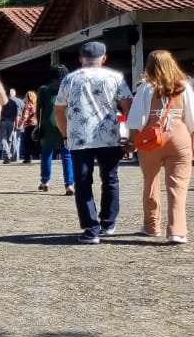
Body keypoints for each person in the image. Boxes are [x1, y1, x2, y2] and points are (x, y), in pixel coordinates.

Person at [54, 40, 132, 244]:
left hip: (80, 137)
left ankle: (91, 228)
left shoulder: (70, 79)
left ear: (81, 58)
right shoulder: (115, 77)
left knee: (82, 182)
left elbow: (59, 110)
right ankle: (108, 223)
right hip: (109, 136)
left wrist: (65, 134)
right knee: (110, 179)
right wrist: (130, 135)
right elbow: (128, 106)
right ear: (104, 58)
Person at [124, 49, 193, 244]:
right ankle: (177, 231)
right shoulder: (184, 86)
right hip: (179, 137)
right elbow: (192, 119)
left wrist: (133, 142)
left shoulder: (145, 88)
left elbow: (136, 120)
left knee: (150, 182)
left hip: (152, 139)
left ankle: (152, 226)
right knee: (178, 186)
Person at [37, 65, 74, 195]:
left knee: (46, 153)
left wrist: (38, 125)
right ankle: (69, 184)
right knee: (67, 155)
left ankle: (45, 181)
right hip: (65, 123)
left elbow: (39, 110)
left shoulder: (44, 89)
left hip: (48, 124)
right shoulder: (69, 88)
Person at [0, 88, 24, 163]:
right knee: (10, 140)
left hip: (3, 121)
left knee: (3, 139)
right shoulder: (20, 101)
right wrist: (17, 125)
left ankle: (8, 155)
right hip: (12, 122)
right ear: (15, 93)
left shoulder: (3, 101)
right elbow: (19, 114)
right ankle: (12, 157)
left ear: (8, 94)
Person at [18, 90, 39, 164]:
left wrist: (20, 123)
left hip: (29, 125)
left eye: (26, 96)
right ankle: (35, 156)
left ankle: (27, 158)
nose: (25, 98)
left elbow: (25, 116)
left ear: (29, 97)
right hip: (35, 125)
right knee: (34, 142)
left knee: (27, 142)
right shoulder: (36, 105)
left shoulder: (28, 105)